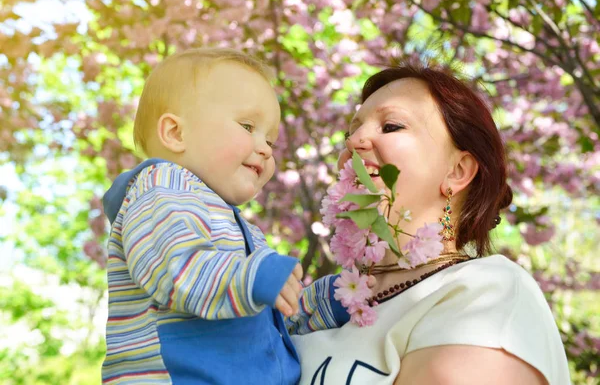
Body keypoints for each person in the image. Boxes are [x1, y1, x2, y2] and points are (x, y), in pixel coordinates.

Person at [291, 62, 571, 385]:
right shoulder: (317, 305)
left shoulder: (488, 291)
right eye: (349, 133)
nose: (354, 142)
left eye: (391, 126)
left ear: (458, 171)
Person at [101, 48, 349, 385]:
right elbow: (178, 271)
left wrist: (323, 301)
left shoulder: (239, 228)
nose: (264, 148)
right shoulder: (159, 188)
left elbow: (264, 314)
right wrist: (257, 276)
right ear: (176, 133)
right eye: (248, 126)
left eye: (270, 141)